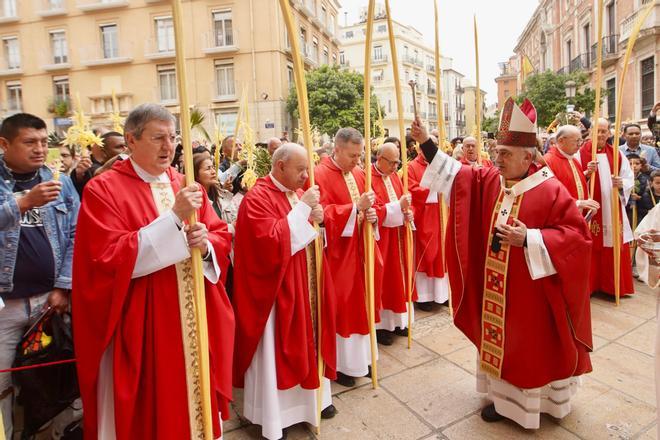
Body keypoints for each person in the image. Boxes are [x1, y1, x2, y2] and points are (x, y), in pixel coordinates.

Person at [411, 97, 593, 429]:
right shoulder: (492, 179)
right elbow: (457, 177)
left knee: (529, 350)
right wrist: (426, 143)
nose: (497, 159)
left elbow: (577, 239)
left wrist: (532, 239)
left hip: (532, 296)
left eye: (505, 154)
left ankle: (533, 406)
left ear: (528, 156)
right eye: (496, 152)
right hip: (496, 293)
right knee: (501, 345)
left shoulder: (551, 189)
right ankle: (501, 400)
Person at [72, 103, 235, 439]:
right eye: (158, 138)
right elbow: (108, 258)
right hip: (143, 319)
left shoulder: (186, 183)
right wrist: (173, 218)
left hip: (193, 317)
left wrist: (206, 245)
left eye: (173, 137)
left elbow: (219, 235)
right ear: (131, 140)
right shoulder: (103, 189)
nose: (168, 147)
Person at [232, 143, 337, 440]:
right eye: (300, 169)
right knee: (279, 351)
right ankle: (276, 417)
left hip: (308, 285)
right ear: (279, 167)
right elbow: (269, 244)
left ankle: (316, 400)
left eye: (308, 168)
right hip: (276, 293)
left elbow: (314, 237)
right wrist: (304, 208)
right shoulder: (258, 198)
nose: (307, 175)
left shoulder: (297, 193)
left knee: (313, 338)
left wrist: (318, 219)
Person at [0, 113, 80, 439]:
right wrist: (23, 203)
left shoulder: (60, 180)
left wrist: (63, 287)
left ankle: (53, 433)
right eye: (30, 142)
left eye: (45, 142)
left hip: (50, 302)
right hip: (6, 305)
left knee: (57, 374)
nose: (40, 149)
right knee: (2, 382)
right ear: (4, 144)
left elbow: (77, 234)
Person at [314, 127, 383, 387]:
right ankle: (343, 365)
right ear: (338, 149)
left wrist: (371, 216)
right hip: (339, 254)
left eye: (360, 155)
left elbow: (368, 207)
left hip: (361, 249)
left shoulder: (358, 173)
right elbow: (322, 214)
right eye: (353, 155)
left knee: (363, 304)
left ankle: (362, 360)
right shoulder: (319, 174)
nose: (358, 161)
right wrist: (355, 209)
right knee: (344, 307)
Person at [579, 118, 635, 298]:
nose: (601, 134)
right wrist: (586, 174)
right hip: (592, 209)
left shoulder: (618, 155)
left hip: (611, 208)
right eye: (598, 131)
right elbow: (574, 181)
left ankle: (613, 286)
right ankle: (592, 285)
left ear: (609, 133)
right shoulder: (580, 154)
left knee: (613, 243)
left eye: (604, 131)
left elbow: (629, 178)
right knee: (592, 244)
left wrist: (621, 183)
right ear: (590, 132)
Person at [371, 143, 414, 343]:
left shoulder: (395, 176)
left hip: (398, 236)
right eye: (392, 162)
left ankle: (398, 322)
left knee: (399, 280)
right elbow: (376, 210)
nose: (396, 167)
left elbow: (402, 203)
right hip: (383, 240)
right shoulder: (367, 178)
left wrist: (407, 212)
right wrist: (398, 207)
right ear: (379, 158)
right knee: (385, 282)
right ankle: (382, 328)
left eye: (398, 162)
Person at [543, 125, 600, 218]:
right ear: (561, 140)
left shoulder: (573, 159)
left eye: (580, 140)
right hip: (561, 218)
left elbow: (574, 183)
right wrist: (578, 203)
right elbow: (548, 194)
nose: (579, 144)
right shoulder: (548, 161)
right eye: (576, 141)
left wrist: (587, 174)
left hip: (577, 216)